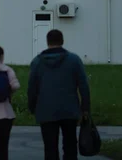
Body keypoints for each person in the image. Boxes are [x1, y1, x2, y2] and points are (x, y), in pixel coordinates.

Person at [27, 29, 91, 160]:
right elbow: (84, 86)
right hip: (70, 110)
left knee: (50, 148)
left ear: (47, 42)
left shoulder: (37, 62)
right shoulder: (74, 60)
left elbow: (32, 88)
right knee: (70, 146)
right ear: (62, 41)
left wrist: (32, 107)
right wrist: (85, 108)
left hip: (46, 110)